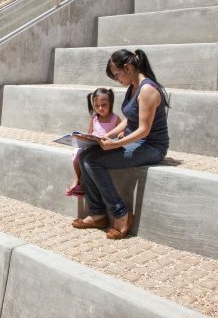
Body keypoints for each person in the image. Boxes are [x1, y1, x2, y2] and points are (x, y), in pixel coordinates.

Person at [71, 49, 169, 240]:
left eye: (116, 75)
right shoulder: (133, 86)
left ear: (128, 68)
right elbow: (129, 120)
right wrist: (105, 137)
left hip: (151, 147)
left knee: (94, 161)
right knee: (84, 155)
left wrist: (115, 145)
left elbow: (143, 130)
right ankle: (98, 213)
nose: (117, 80)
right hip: (135, 142)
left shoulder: (147, 89)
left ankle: (121, 213)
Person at [65, 88, 122, 197]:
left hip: (105, 147)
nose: (100, 108)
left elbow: (121, 130)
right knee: (77, 152)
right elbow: (89, 133)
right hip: (93, 145)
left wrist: (120, 135)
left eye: (104, 105)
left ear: (111, 103)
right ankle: (77, 179)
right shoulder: (94, 118)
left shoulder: (115, 118)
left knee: (89, 158)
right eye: (97, 106)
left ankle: (81, 184)